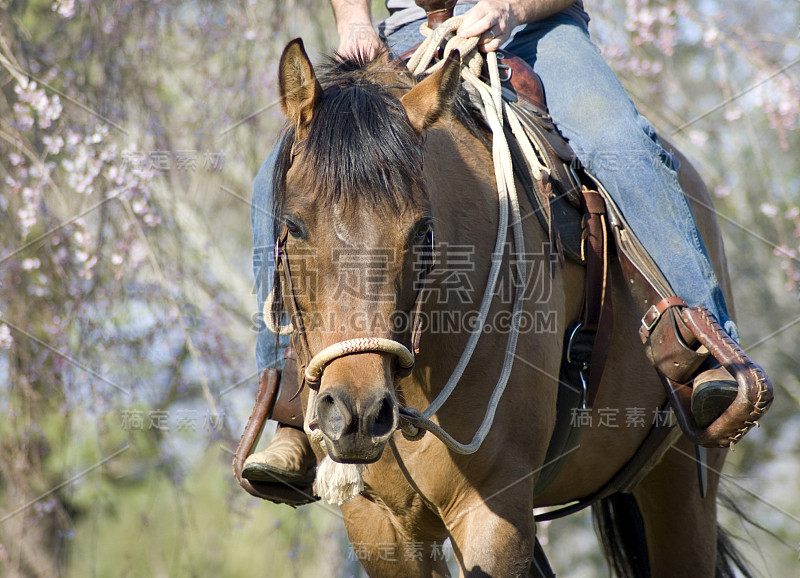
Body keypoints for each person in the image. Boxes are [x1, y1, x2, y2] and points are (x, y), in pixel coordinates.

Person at [241, 0, 754, 502]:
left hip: (535, 33)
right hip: (399, 39)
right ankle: (290, 404)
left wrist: (510, 8)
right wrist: (353, 19)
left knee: (618, 139)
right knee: (279, 173)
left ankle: (702, 348)